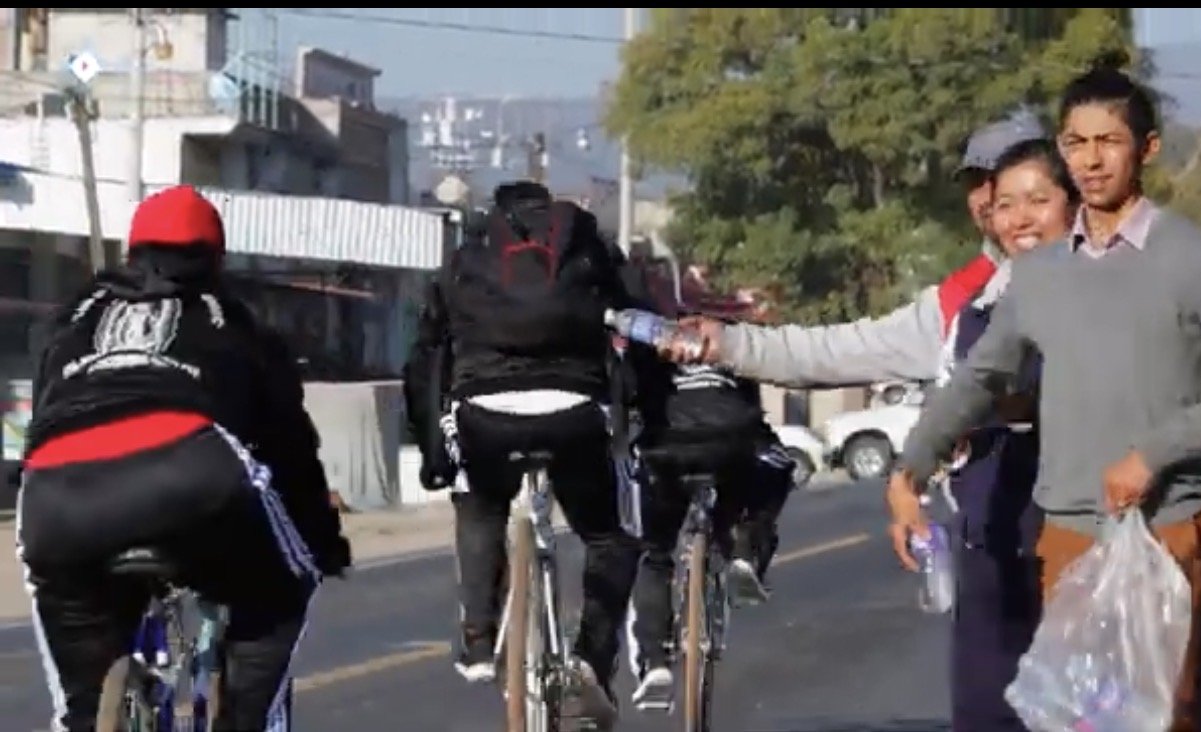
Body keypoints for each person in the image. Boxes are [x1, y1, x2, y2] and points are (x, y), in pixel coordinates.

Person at [888, 67, 1201, 732]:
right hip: (1068, 537)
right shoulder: (1041, 275)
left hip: (1166, 532)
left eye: (1109, 141)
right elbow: (979, 379)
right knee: (1082, 721)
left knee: (1166, 717)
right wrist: (910, 469)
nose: (1091, 159)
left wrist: (1154, 453)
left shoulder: (1192, 257)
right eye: (1076, 143)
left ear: (1147, 149)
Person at [16, 185, 351, 732]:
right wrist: (324, 544)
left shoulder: (70, 316)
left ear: (132, 252)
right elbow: (290, 448)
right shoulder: (232, 319)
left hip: (60, 491)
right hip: (191, 474)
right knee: (285, 585)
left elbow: (45, 415)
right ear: (215, 259)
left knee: (79, 680)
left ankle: (84, 717)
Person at [403, 181, 637, 727]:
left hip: (484, 412)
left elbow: (427, 353)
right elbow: (632, 322)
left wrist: (430, 443)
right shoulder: (587, 247)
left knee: (482, 505)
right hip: (574, 408)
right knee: (607, 537)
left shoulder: (468, 254)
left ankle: (479, 641)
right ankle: (590, 663)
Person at [660, 112, 1047, 392]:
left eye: (1001, 178)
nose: (986, 199)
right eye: (975, 183)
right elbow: (840, 351)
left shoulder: (1100, 272)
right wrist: (728, 343)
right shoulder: (963, 300)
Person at [928, 137, 1081, 731]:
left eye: (1037, 200)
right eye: (1003, 203)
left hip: (1080, 546)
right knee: (988, 713)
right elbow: (949, 403)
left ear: (1072, 204)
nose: (1018, 218)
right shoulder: (974, 312)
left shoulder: (1111, 294)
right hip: (991, 546)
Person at [621, 314, 796, 710]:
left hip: (665, 452)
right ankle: (746, 550)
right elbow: (754, 417)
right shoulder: (730, 344)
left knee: (656, 554)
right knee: (771, 470)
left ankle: (654, 662)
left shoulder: (648, 345)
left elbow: (630, 402)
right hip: (729, 447)